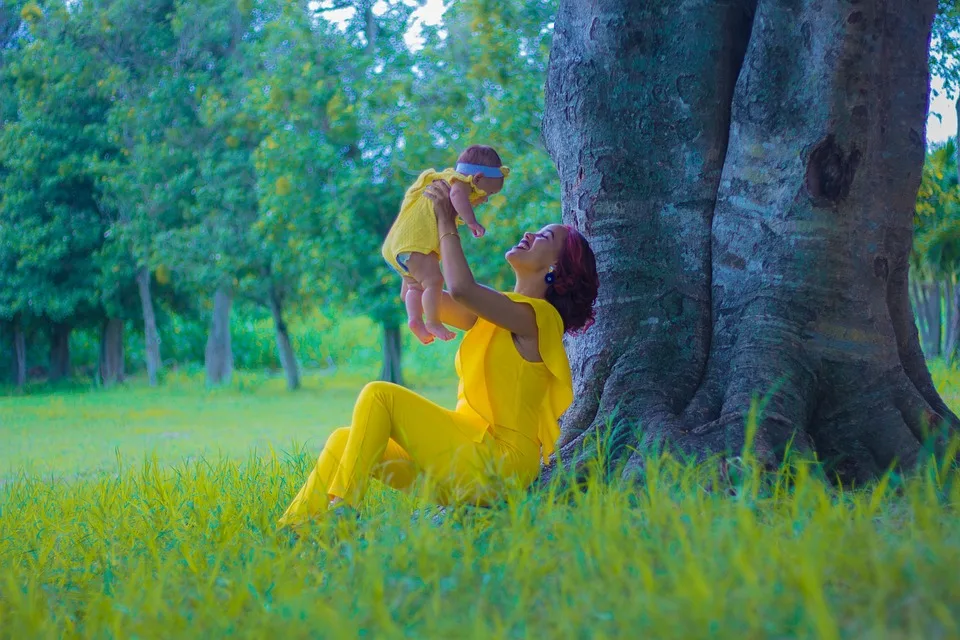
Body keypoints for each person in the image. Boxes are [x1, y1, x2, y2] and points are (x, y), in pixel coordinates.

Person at [277, 180, 599, 529]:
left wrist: (448, 221)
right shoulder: (496, 311)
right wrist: (417, 248)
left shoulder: (538, 319)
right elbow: (418, 294)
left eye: (544, 237)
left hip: (499, 463)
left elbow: (461, 289)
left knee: (379, 395)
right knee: (344, 440)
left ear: (556, 269)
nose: (529, 233)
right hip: (464, 454)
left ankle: (343, 514)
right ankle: (292, 532)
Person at [381, 145, 509, 344]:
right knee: (434, 282)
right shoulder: (460, 183)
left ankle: (415, 321)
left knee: (416, 288)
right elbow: (457, 197)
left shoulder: (443, 179)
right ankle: (433, 321)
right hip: (414, 244)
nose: (484, 199)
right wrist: (472, 222)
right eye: (488, 193)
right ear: (477, 178)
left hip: (397, 247)